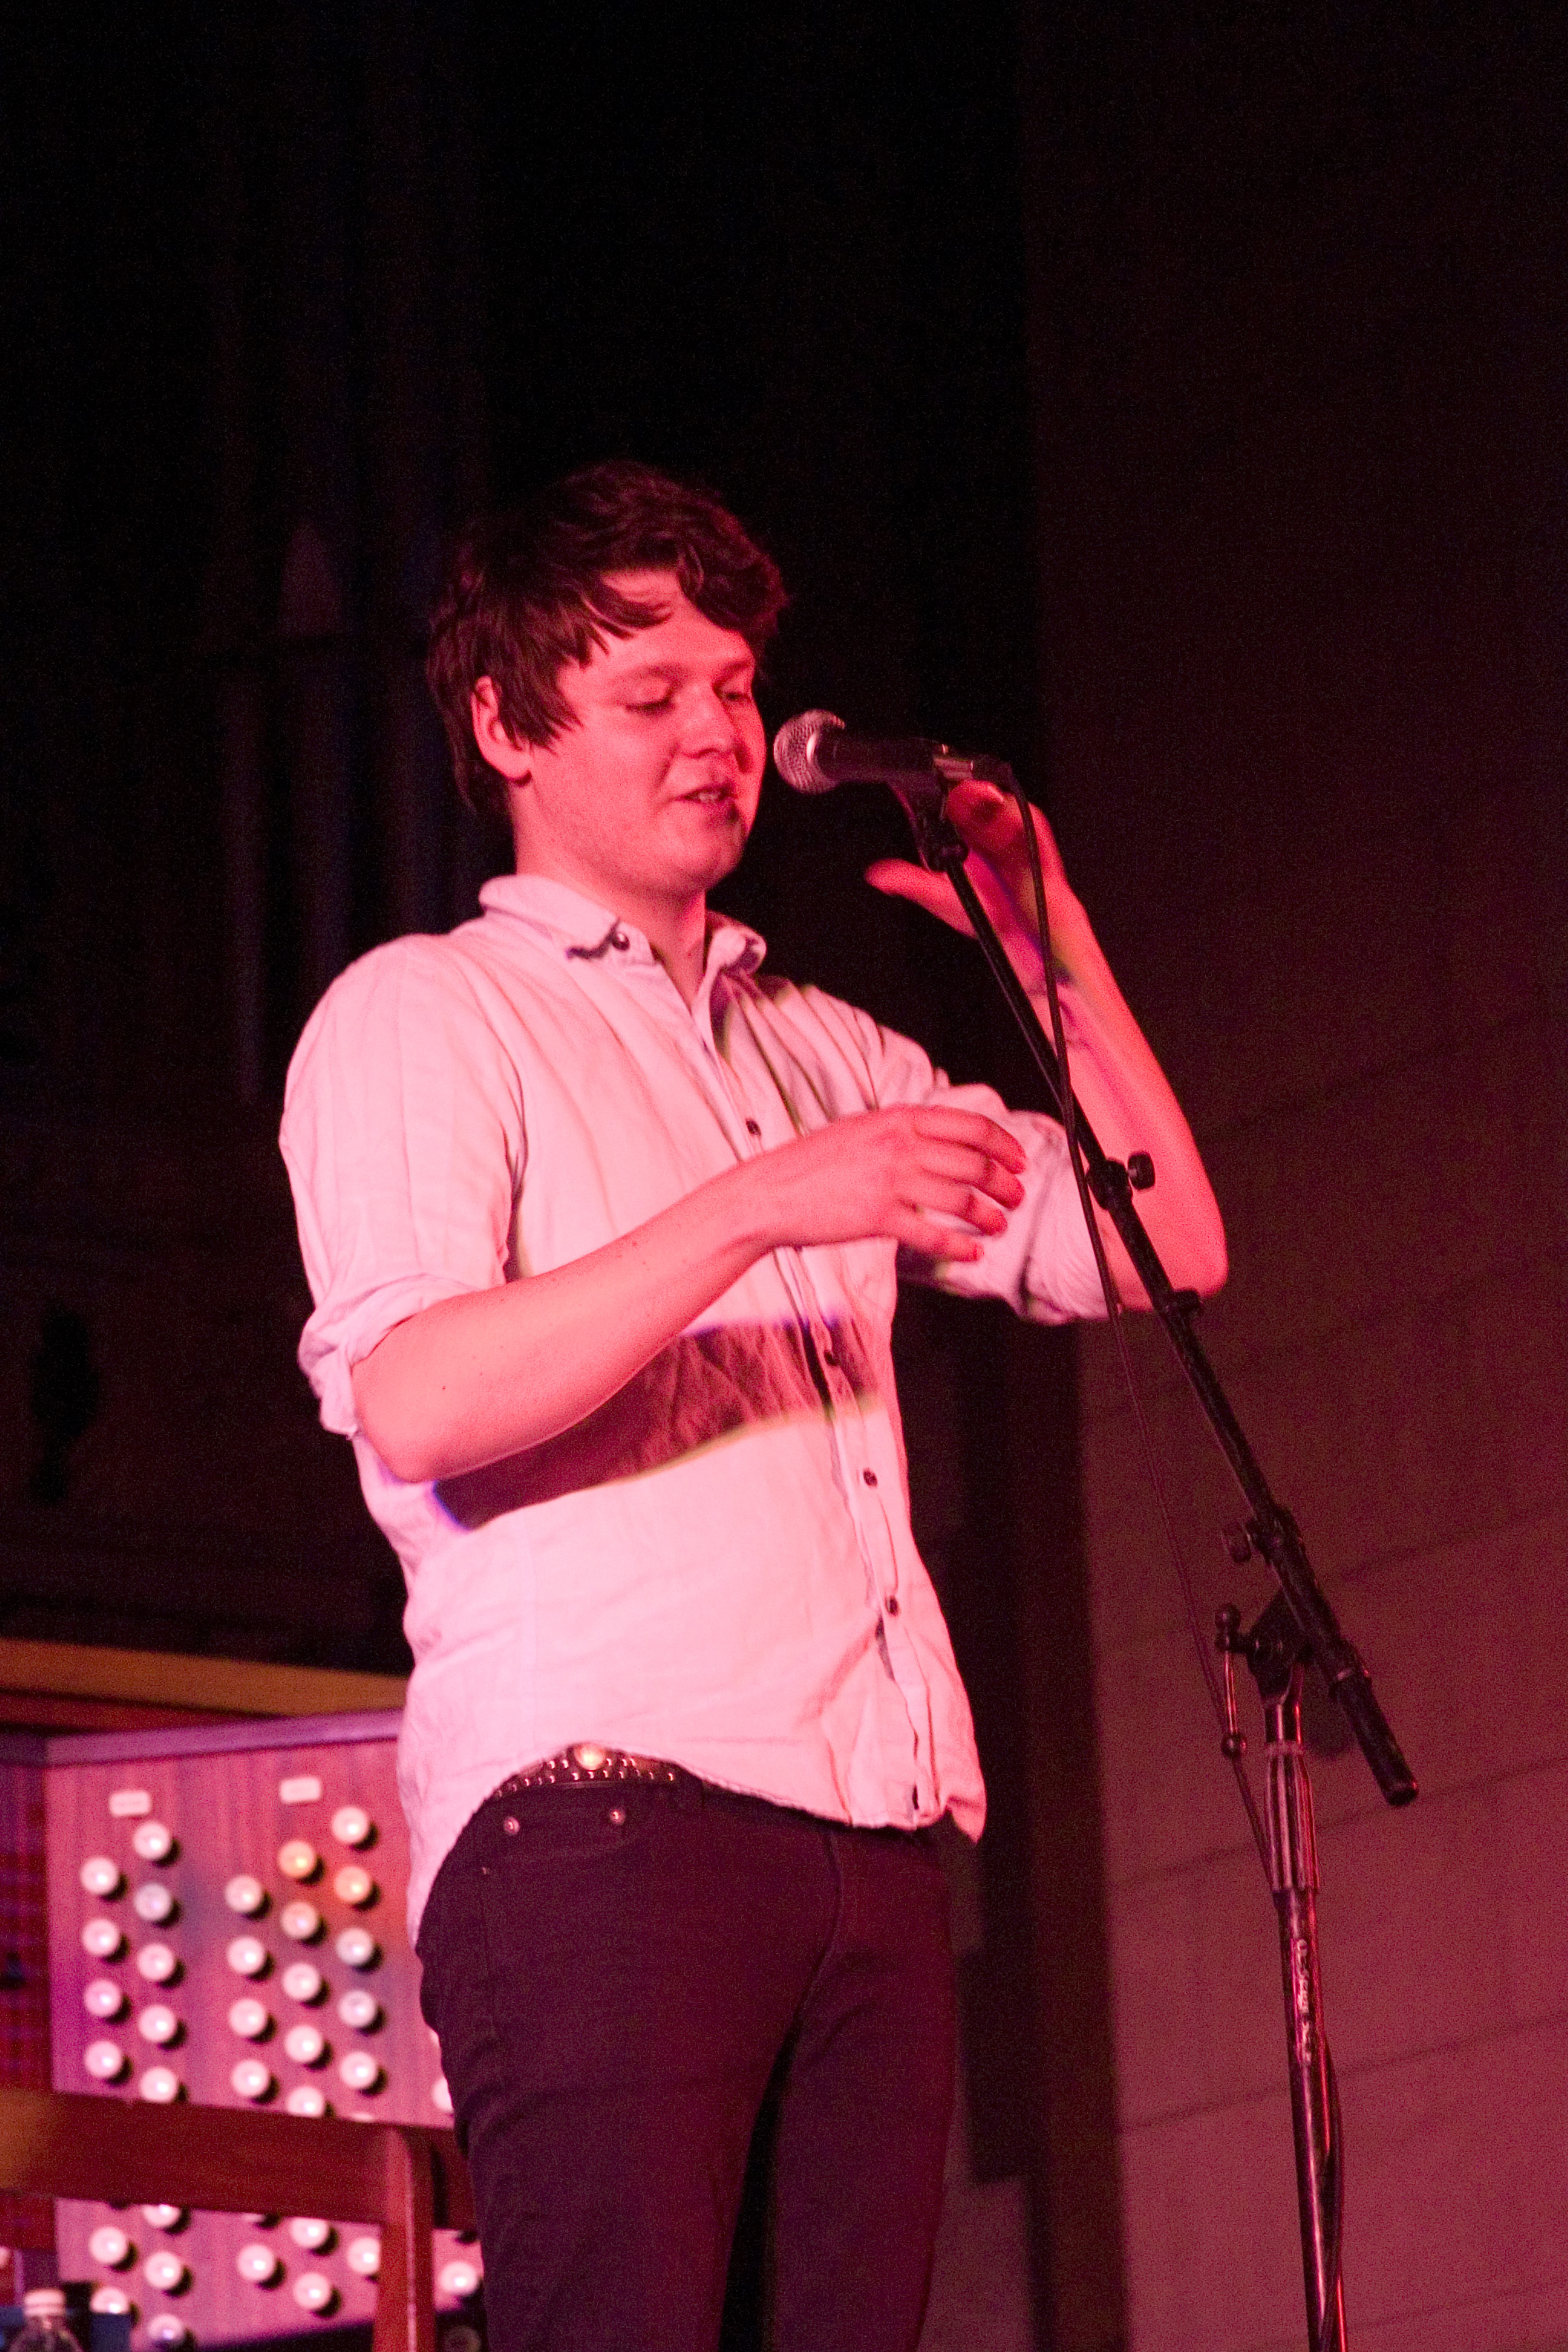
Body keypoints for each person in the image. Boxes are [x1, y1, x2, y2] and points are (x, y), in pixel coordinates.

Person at [280, 460, 1226, 2352]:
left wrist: (1052, 944)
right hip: (601, 1819)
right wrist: (759, 1205)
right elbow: (422, 1398)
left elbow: (1161, 1244)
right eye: (650, 695)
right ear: (506, 724)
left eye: (731, 687)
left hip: (867, 1831)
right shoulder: (427, 1011)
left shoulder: (824, 1047)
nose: (714, 734)